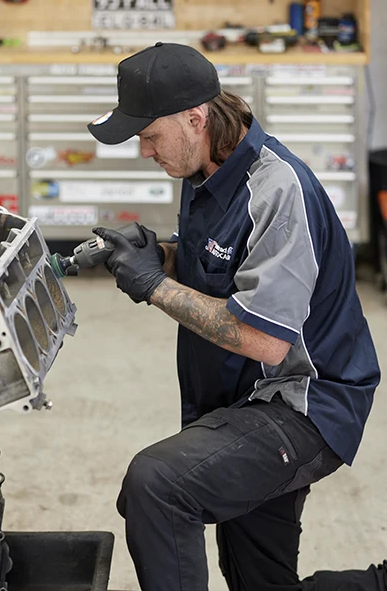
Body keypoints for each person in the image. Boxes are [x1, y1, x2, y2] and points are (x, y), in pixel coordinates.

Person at [87, 42, 384, 591]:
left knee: (157, 486)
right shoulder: (205, 169)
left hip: (302, 401)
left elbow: (264, 338)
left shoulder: (277, 189)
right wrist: (162, 256)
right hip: (241, 399)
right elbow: (221, 261)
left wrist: (152, 286)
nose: (145, 152)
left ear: (195, 119)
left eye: (149, 136)